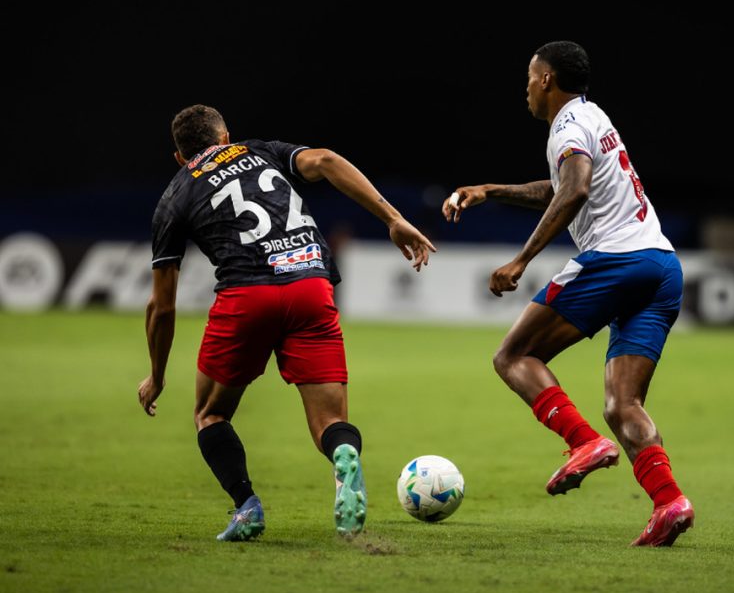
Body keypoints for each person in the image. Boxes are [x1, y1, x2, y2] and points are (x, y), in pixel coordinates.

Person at [137, 105, 435, 541]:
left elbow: (162, 307)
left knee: (211, 413)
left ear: (180, 157)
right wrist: (393, 218)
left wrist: (157, 376)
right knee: (330, 421)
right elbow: (328, 161)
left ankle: (247, 507)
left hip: (246, 296)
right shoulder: (259, 151)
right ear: (225, 137)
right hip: (310, 285)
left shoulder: (174, 196)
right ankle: (345, 455)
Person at [442, 42, 693, 547]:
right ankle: (670, 502)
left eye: (530, 78)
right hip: (661, 266)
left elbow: (574, 189)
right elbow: (562, 185)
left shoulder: (568, 128)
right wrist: (492, 190)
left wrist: (521, 260)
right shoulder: (592, 117)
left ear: (547, 80)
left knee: (513, 356)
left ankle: (583, 442)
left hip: (617, 260)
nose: (526, 88)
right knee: (624, 404)